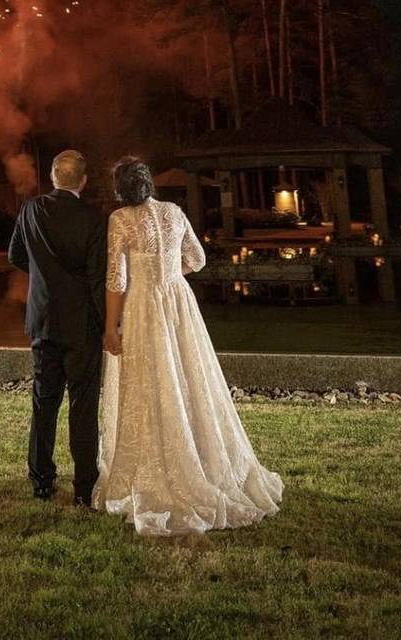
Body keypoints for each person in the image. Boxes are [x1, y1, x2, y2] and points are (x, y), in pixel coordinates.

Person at [94, 157, 283, 535]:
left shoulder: (120, 220)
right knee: (189, 378)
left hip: (145, 306)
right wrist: (166, 274)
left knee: (151, 378)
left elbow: (116, 278)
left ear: (120, 188)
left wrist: (110, 326)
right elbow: (196, 259)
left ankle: (161, 464)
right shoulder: (174, 212)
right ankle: (205, 456)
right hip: (179, 301)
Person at [8, 150, 107, 507]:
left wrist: (42, 277)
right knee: (83, 406)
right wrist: (107, 323)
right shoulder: (94, 219)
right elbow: (98, 277)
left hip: (43, 319)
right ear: (83, 180)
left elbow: (15, 255)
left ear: (53, 177)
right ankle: (84, 487)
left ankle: (41, 480)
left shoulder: (31, 210)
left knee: (43, 401)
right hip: (81, 324)